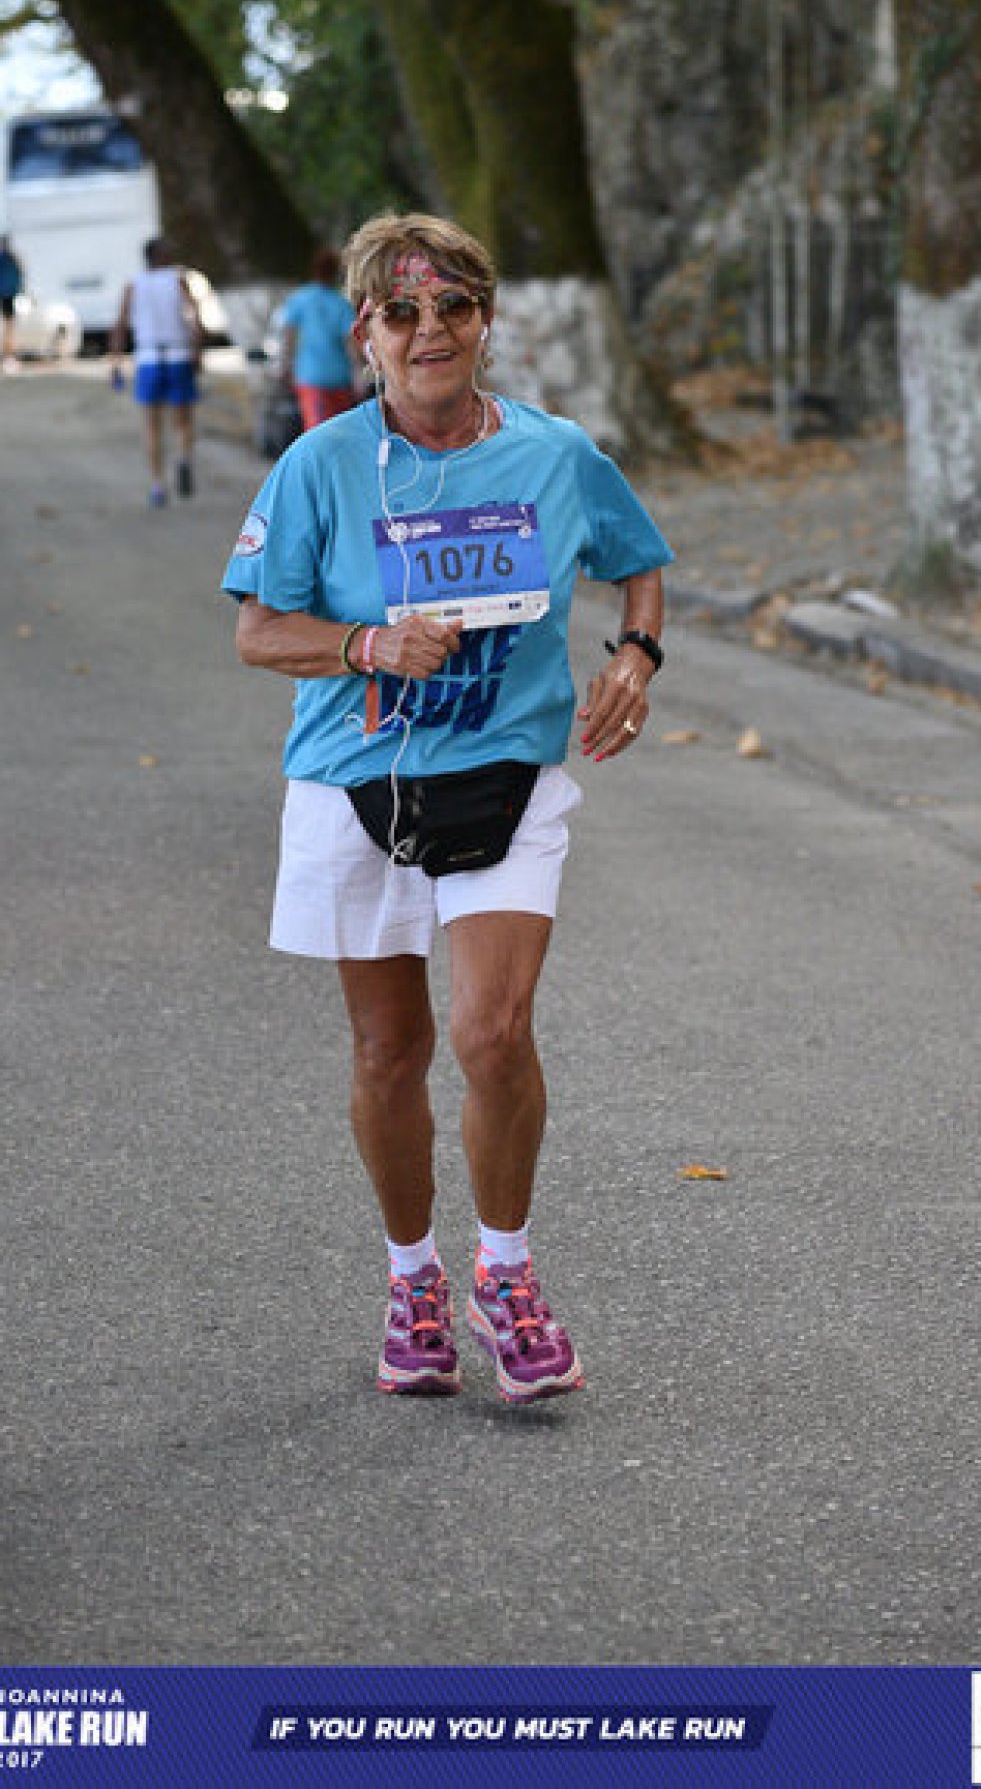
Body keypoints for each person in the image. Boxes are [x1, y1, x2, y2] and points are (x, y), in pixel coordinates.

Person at [223, 212, 672, 1403]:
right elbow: (258, 630)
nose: (431, 330)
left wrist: (634, 653)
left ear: (485, 320)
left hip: (505, 770)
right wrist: (366, 643)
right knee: (390, 1049)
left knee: (490, 1032)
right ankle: (410, 1277)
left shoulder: (553, 454)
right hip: (354, 777)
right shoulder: (318, 464)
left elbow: (636, 558)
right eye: (402, 312)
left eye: (454, 307)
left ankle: (505, 1276)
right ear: (362, 332)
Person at [110, 237, 204, 508]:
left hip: (148, 357)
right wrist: (198, 352)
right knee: (183, 421)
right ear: (163, 256)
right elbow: (195, 317)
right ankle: (183, 456)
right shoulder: (178, 279)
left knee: (152, 426)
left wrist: (116, 363)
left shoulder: (133, 284)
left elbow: (121, 324)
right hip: (178, 354)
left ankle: (158, 485)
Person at [277, 245, 360, 431]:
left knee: (317, 433)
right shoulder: (341, 303)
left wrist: (284, 365)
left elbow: (288, 336)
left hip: (310, 376)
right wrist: (357, 374)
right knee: (341, 432)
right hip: (339, 377)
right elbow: (351, 343)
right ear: (336, 272)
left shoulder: (299, 298)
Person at [0, 235, 24, 372]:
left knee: (7, 327)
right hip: (6, 295)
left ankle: (7, 357)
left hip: (4, 295)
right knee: (8, 328)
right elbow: (21, 272)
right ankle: (8, 358)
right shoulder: (9, 258)